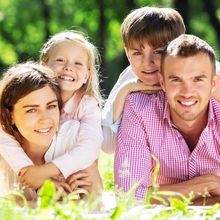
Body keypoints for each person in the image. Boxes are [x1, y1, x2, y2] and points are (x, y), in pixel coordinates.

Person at [115, 34, 220, 205]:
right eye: (176, 80)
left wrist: (165, 198)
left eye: (198, 80)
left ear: (213, 83)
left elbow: (140, 198)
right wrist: (208, 184)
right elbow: (129, 195)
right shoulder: (139, 109)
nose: (187, 91)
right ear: (162, 83)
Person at [102, 6, 220, 154]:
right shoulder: (131, 77)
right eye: (137, 53)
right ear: (127, 53)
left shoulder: (204, 69)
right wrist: (126, 89)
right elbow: (107, 144)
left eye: (158, 51)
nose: (147, 62)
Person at [0, 31, 103, 194]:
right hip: (30, 168)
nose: (68, 67)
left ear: (86, 76)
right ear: (44, 66)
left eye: (78, 63)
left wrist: (46, 172)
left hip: (71, 169)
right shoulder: (26, 94)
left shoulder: (87, 106)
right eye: (60, 60)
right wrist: (30, 172)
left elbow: (89, 148)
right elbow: (3, 136)